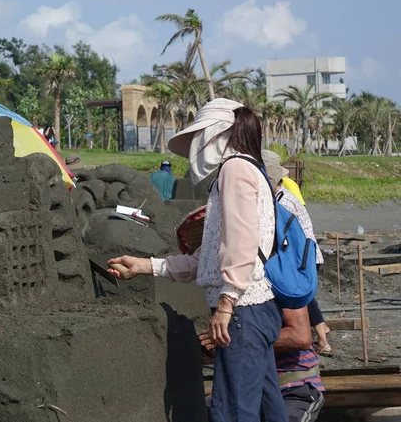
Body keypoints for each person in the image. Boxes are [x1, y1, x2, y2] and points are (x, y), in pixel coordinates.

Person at [108, 98, 288, 422]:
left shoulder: (234, 168)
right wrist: (146, 265)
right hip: (256, 308)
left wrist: (226, 304)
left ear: (217, 134)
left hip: (243, 311)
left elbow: (242, 244)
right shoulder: (246, 169)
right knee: (265, 406)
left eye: (199, 137)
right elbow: (206, 261)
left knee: (232, 412)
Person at [200, 305, 325, 422]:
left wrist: (237, 339)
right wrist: (216, 348)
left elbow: (300, 337)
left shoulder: (279, 284)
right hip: (247, 386)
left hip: (293, 388)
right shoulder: (220, 290)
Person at [261, 150, 332, 357]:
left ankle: (321, 337)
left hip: (299, 258)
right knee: (306, 301)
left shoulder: (282, 201)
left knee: (300, 299)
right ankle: (322, 335)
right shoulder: (285, 193)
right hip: (302, 255)